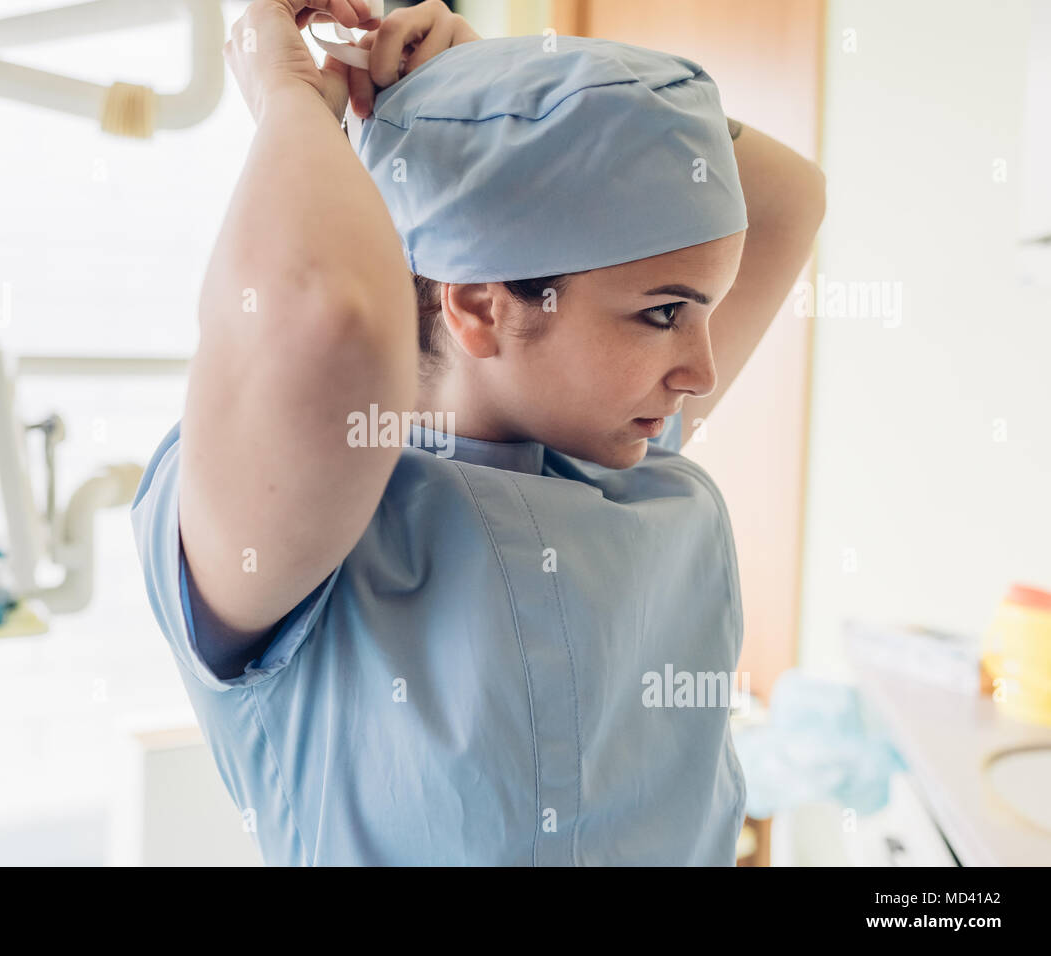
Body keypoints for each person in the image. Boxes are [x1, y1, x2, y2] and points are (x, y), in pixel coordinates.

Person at [132, 0, 826, 865]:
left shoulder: (611, 457)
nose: (702, 373)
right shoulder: (303, 532)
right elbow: (325, 314)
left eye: (705, 310)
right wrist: (287, 97)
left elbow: (789, 195)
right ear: (479, 305)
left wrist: (505, 90)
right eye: (662, 314)